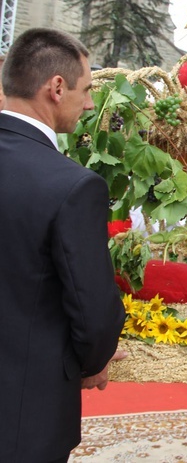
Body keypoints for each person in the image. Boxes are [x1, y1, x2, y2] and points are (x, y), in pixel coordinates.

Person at [0, 28, 126, 462]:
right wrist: (94, 359)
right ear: (56, 88)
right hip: (20, 419)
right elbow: (91, 308)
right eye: (87, 89)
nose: (90, 103)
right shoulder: (72, 186)